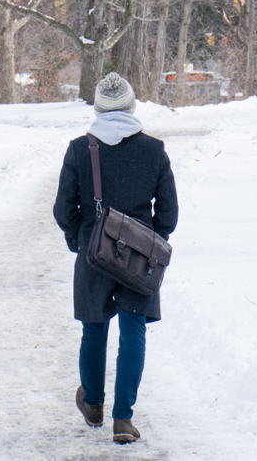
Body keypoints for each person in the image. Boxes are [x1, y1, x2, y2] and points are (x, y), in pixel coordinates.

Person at [53, 72, 178, 444]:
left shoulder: (79, 149)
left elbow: (63, 209)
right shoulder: (154, 150)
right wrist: (148, 239)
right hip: (140, 256)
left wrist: (82, 239)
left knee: (94, 328)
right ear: (131, 106)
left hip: (94, 252)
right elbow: (168, 215)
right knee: (134, 330)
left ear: (97, 108)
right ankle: (123, 419)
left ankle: (92, 404)